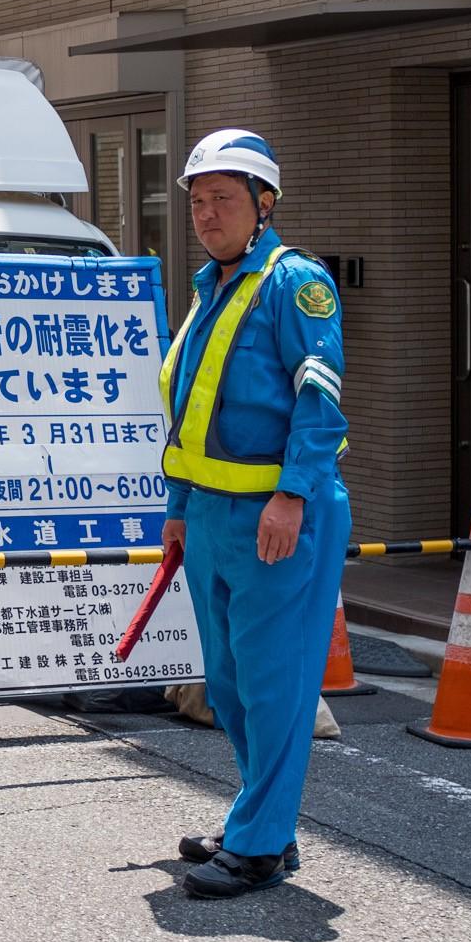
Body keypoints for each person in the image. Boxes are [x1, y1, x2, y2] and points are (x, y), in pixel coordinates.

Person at [157, 128, 349, 900]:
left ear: (264, 205)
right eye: (197, 201)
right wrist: (178, 506)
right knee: (229, 684)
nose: (206, 213)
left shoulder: (294, 283)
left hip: (279, 513)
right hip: (209, 515)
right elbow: (189, 410)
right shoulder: (212, 286)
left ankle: (262, 843)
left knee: (274, 686)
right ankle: (259, 820)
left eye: (223, 199)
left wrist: (293, 494)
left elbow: (321, 395)